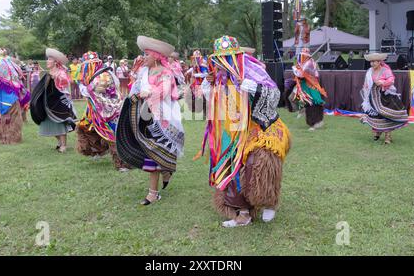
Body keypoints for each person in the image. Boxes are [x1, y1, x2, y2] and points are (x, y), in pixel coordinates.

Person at [199, 36, 291, 227]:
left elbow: (274, 96)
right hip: (235, 131)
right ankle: (242, 213)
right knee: (230, 164)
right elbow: (212, 103)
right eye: (219, 58)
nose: (222, 62)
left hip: (263, 128)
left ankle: (268, 202)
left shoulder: (253, 71)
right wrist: (210, 84)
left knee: (259, 162)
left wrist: (251, 86)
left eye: (227, 57)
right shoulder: (220, 76)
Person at [116, 36, 185, 206]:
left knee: (155, 151)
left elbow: (165, 90)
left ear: (155, 56)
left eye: (146, 55)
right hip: (145, 115)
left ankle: (153, 193)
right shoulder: (143, 72)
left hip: (162, 117)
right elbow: (136, 89)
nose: (143, 58)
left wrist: (149, 92)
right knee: (151, 151)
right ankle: (165, 171)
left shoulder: (166, 72)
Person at [76, 51, 130, 171]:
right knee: (85, 127)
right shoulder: (100, 74)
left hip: (109, 110)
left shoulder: (102, 76)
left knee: (113, 135)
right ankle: (96, 150)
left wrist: (81, 85)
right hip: (97, 109)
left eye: (86, 66)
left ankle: (122, 163)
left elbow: (89, 91)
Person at [30, 48, 77, 153]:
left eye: (49, 60)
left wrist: (55, 78)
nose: (47, 61)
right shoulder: (48, 73)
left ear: (55, 62)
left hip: (59, 103)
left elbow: (64, 86)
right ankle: (60, 142)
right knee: (48, 122)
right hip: (49, 103)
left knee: (59, 122)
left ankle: (64, 145)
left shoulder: (61, 73)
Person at [0, 49, 30, 144]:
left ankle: (6, 138)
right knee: (13, 118)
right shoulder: (11, 65)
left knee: (5, 118)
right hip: (14, 97)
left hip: (6, 99)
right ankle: (14, 138)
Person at [360, 53, 409, 144]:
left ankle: (388, 136)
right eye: (371, 62)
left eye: (374, 61)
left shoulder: (385, 70)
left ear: (379, 62)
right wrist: (366, 89)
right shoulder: (369, 71)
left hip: (386, 96)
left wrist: (382, 82)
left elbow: (391, 80)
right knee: (376, 115)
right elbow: (366, 83)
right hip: (373, 97)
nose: (372, 63)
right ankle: (378, 132)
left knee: (386, 115)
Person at [291, 48, 327, 130]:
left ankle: (314, 123)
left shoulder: (310, 63)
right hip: (305, 86)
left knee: (313, 103)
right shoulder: (303, 63)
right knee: (299, 99)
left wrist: (297, 71)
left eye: (302, 55)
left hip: (311, 86)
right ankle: (304, 112)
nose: (300, 57)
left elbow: (303, 74)